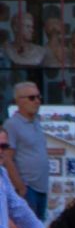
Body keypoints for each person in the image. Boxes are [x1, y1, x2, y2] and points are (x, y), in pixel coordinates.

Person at [3, 81, 50, 220]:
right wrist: (20, 187)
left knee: (39, 226)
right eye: (32, 98)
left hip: (41, 187)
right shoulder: (12, 125)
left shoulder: (36, 122)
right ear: (19, 101)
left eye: (38, 97)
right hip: (27, 187)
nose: (37, 101)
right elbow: (6, 157)